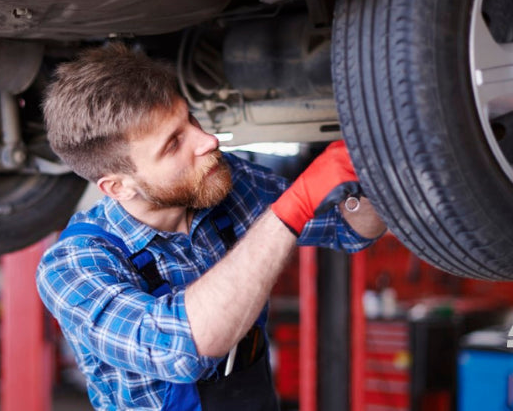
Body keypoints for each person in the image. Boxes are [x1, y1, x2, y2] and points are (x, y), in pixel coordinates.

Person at [36, 42, 387, 410]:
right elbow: (181, 350)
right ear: (118, 187)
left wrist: (378, 176)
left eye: (191, 120)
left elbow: (349, 228)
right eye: (173, 144)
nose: (209, 141)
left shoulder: (225, 183)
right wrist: (292, 208)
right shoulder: (72, 265)